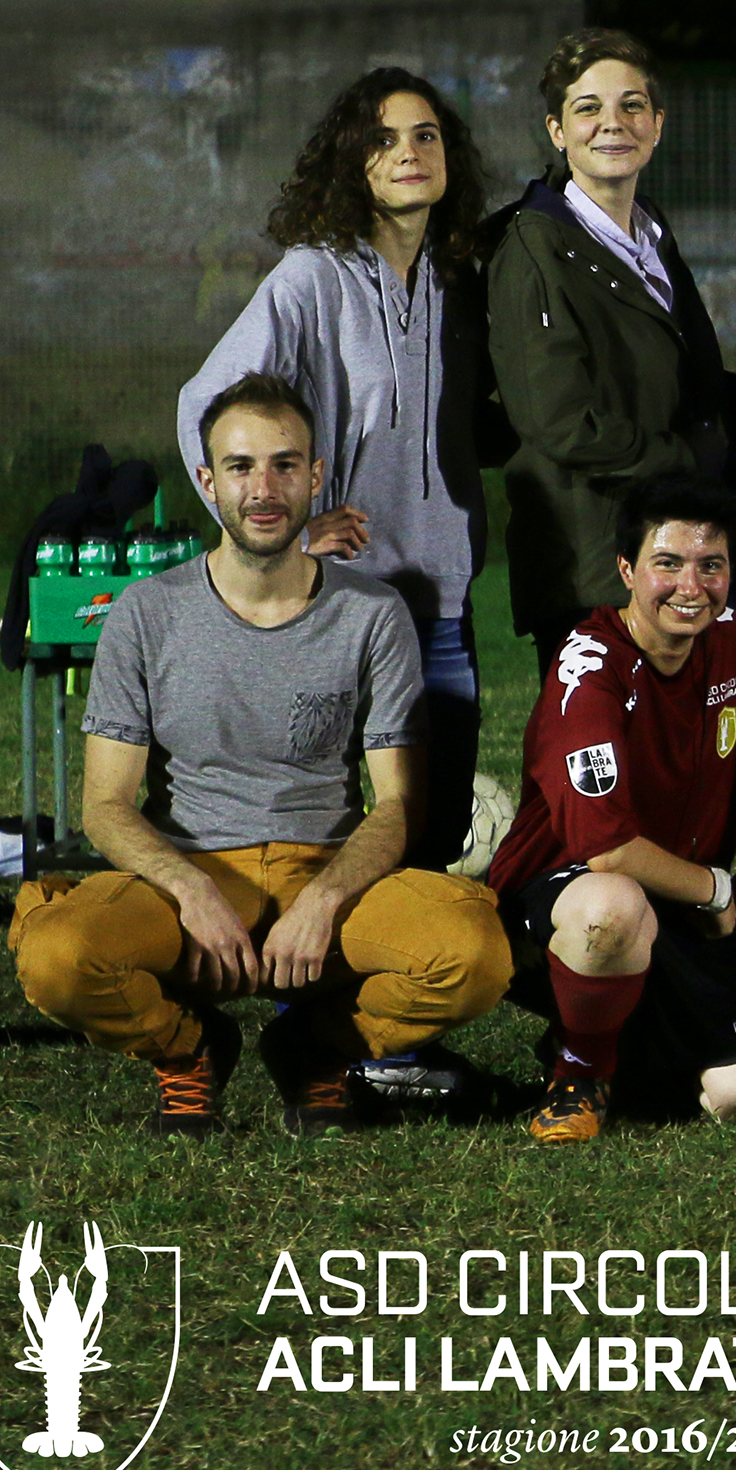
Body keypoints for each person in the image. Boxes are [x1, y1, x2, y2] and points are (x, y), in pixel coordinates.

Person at [15, 373, 509, 1133]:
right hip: (190, 875)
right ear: (209, 482)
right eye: (241, 467)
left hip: (326, 867)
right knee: (56, 956)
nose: (264, 488)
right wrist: (190, 889)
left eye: (285, 464)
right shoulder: (147, 613)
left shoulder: (371, 614)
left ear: (316, 476)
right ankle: (189, 1052)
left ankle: (315, 1050)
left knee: (472, 952)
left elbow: (399, 804)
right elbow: (105, 807)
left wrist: (323, 900)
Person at [177, 68, 494, 873]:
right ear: (352, 163)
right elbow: (204, 403)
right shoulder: (312, 277)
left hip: (443, 601)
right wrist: (270, 529)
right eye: (383, 140)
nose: (409, 153)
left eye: (426, 135)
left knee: (436, 825)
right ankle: (309, 993)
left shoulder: (460, 282)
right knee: (326, 834)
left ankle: (401, 987)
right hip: (340, 597)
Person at [481, 478, 736, 1142]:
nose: (692, 586)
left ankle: (631, 1047)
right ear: (628, 570)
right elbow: (607, 846)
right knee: (613, 907)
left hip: (680, 903)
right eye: (668, 564)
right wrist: (719, 888)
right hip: (562, 898)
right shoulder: (591, 666)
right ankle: (581, 1070)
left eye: (711, 566)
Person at [486, 28, 736, 661]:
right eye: (587, 108)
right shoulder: (534, 250)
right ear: (557, 131)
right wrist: (692, 455)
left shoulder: (650, 230)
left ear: (658, 123)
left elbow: (678, 386)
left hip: (678, 557)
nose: (612, 123)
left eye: (632, 105)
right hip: (595, 575)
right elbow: (561, 424)